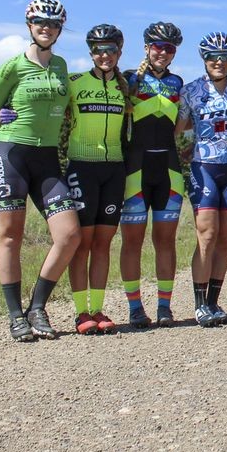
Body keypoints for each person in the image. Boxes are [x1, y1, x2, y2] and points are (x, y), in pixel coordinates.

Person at [0, 0, 81, 341]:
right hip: (11, 154)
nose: (46, 27)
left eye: (53, 24)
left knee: (69, 234)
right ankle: (15, 316)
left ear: (59, 30)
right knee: (10, 235)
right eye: (40, 22)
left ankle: (37, 307)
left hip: (47, 160)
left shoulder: (60, 65)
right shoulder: (11, 68)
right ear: (29, 25)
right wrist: (5, 131)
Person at [177, 32, 227, 327]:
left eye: (225, 57)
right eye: (212, 57)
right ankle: (198, 304)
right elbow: (179, 126)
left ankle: (214, 301)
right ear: (203, 59)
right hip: (204, 166)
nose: (219, 62)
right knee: (207, 235)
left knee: (225, 238)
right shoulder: (191, 90)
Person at [119, 22, 186, 328]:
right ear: (147, 47)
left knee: (166, 241)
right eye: (158, 46)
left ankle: (164, 307)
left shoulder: (177, 82)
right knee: (132, 241)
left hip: (169, 170)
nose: (163, 52)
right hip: (136, 170)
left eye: (169, 48)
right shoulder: (130, 80)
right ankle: (135, 307)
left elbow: (177, 127)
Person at [65, 24, 130, 335]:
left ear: (119, 51)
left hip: (114, 169)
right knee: (82, 243)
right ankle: (80, 312)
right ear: (90, 52)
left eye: (111, 49)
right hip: (82, 167)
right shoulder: (75, 83)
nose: (105, 55)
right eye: (98, 50)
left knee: (103, 243)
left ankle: (99, 309)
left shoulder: (125, 85)